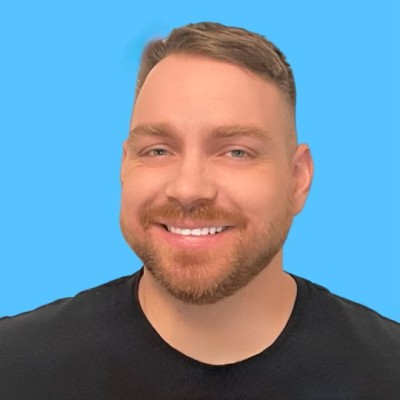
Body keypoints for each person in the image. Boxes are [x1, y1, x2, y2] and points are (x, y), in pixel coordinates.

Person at [0, 22, 399, 400]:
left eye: (236, 152)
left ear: (297, 179)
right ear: (124, 166)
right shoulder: (15, 365)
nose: (188, 189)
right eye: (158, 150)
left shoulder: (388, 371)